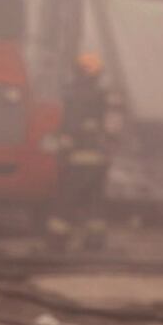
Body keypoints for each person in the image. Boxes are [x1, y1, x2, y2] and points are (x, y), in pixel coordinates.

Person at [47, 52, 115, 252]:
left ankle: (56, 242)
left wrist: (62, 154)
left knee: (66, 201)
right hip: (99, 161)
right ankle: (95, 242)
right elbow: (110, 129)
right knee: (95, 204)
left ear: (78, 72)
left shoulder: (75, 95)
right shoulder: (103, 96)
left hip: (77, 161)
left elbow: (69, 128)